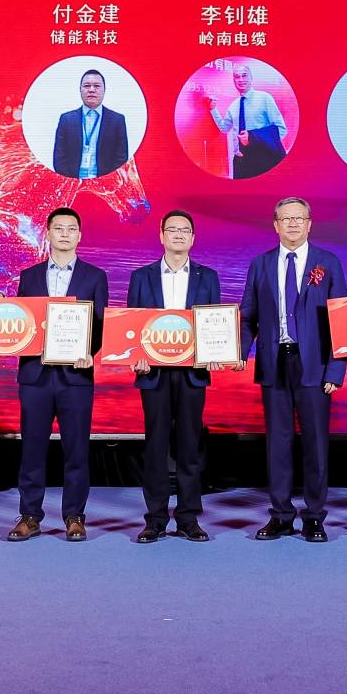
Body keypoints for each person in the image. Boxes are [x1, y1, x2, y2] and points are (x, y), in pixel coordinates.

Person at [238, 195, 347, 540]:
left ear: (309, 224)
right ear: (276, 225)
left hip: (314, 364)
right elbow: (248, 317)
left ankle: (314, 516)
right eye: (286, 219)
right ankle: (281, 515)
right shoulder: (260, 264)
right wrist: (237, 352)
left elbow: (342, 323)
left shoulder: (328, 263)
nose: (293, 224)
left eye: (299, 218)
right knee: (278, 443)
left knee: (316, 444)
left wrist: (336, 371)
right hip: (275, 363)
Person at [8, 206, 108, 542]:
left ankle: (74, 516)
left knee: (76, 450)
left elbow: (101, 325)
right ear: (48, 233)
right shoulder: (29, 276)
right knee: (32, 448)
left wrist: (90, 353)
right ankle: (30, 516)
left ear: (80, 235)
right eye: (59, 228)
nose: (65, 233)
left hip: (75, 377)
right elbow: (20, 321)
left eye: (71, 228)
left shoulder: (95, 277)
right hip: (35, 375)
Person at [125, 209, 223, 543]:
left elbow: (214, 324)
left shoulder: (208, 277)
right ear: (161, 236)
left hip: (192, 372)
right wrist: (136, 355)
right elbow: (132, 326)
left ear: (192, 238)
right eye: (172, 229)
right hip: (153, 372)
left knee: (189, 446)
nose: (178, 235)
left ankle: (188, 518)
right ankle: (154, 519)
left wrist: (216, 352)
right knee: (155, 446)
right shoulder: (141, 277)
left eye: (185, 230)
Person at [208, 59, 288, 179]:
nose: (241, 80)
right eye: (237, 77)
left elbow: (281, 130)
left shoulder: (264, 98)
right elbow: (224, 128)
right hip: (240, 162)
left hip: (262, 159)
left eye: (244, 75)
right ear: (234, 81)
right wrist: (213, 109)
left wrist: (253, 137)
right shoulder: (233, 105)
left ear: (251, 78)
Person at [51, 69, 129, 179]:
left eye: (96, 86)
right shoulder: (66, 120)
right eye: (87, 86)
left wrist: (105, 183)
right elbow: (59, 158)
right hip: (73, 182)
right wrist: (72, 182)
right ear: (80, 89)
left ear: (104, 90)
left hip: (104, 183)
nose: (91, 90)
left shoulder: (117, 120)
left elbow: (121, 159)